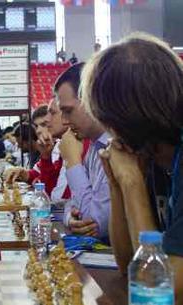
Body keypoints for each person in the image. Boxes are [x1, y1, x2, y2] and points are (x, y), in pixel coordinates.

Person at [81, 33, 183, 298]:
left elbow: (162, 291)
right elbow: (128, 264)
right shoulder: (150, 156)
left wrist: (131, 181)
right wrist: (117, 185)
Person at [56, 63, 111, 240]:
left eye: (68, 111)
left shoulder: (115, 147)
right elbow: (72, 203)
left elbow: (95, 225)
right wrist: (69, 218)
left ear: (90, 100)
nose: (64, 121)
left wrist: (72, 159)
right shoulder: (95, 148)